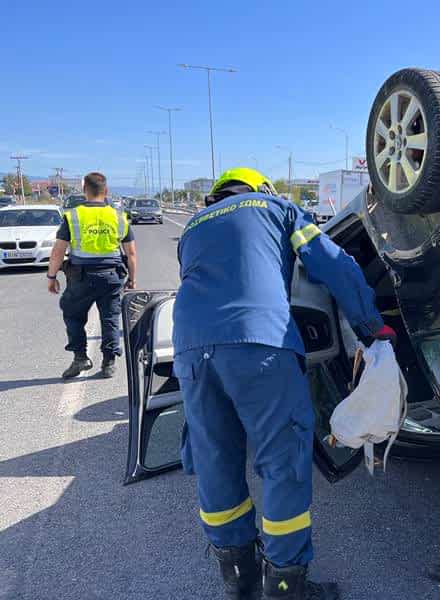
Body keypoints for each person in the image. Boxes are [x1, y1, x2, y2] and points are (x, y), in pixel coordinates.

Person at [172, 167, 394, 600]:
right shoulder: (277, 208)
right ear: (261, 188)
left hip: (190, 350)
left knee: (215, 460)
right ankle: (286, 586)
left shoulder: (193, 228)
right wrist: (371, 327)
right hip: (261, 344)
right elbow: (332, 264)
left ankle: (239, 577)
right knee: (283, 463)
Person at [47, 172, 136, 379]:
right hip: (111, 277)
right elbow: (131, 253)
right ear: (106, 191)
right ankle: (109, 363)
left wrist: (51, 277)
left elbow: (58, 251)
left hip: (81, 277)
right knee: (110, 318)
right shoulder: (118, 216)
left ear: (84, 190)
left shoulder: (73, 216)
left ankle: (80, 358)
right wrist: (132, 279)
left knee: (73, 315)